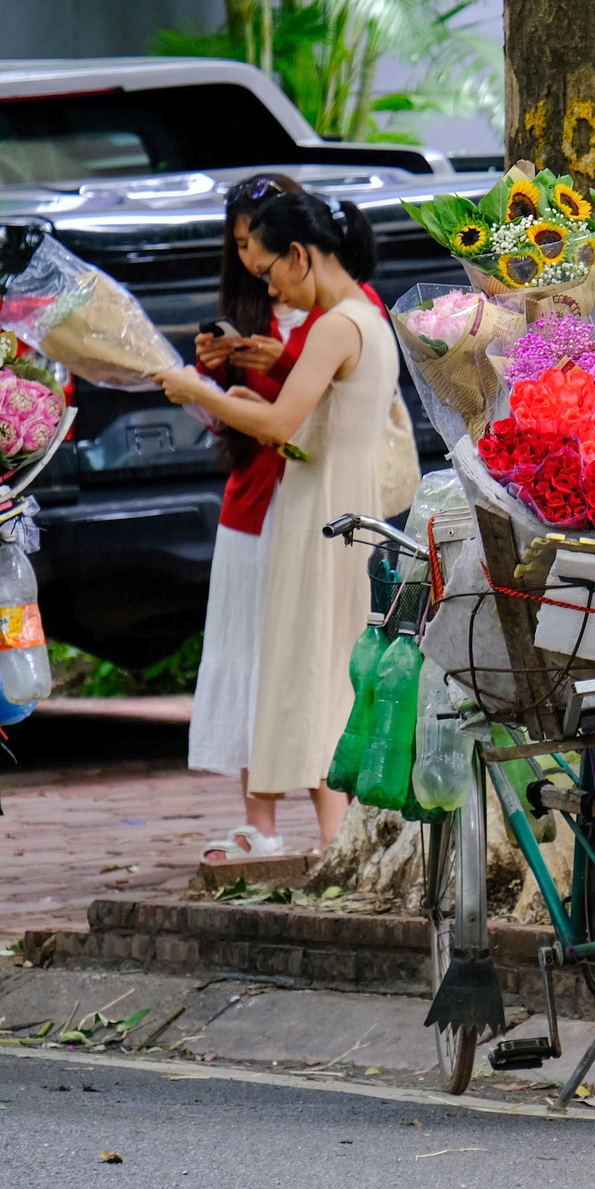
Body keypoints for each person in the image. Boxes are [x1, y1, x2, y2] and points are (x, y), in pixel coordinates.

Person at [158, 191, 398, 853]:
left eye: (270, 272)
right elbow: (311, 426)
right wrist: (236, 397)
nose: (271, 287)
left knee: (320, 669)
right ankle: (335, 837)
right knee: (328, 667)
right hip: (342, 503)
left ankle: (336, 839)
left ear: (299, 256)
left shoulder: (336, 325)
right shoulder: (364, 320)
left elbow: (281, 424)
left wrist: (199, 392)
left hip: (323, 514)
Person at [187, 173, 311, 862]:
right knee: (244, 654)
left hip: (309, 502)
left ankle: (331, 824)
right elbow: (227, 421)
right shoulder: (246, 310)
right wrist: (204, 382)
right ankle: (259, 824)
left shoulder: (331, 315)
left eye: (257, 245)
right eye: (238, 246)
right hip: (250, 502)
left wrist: (273, 365)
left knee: (307, 658)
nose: (251, 262)